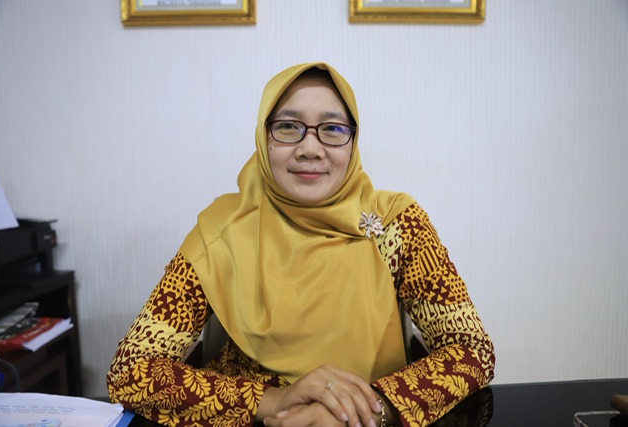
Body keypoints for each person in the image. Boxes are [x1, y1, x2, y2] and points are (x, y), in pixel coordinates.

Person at [107, 62, 495, 427]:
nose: (310, 148)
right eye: (289, 127)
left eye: (332, 128)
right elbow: (130, 370)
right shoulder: (220, 231)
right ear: (264, 137)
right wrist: (275, 400)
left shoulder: (398, 224)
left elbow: (472, 348)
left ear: (353, 141)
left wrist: (366, 410)